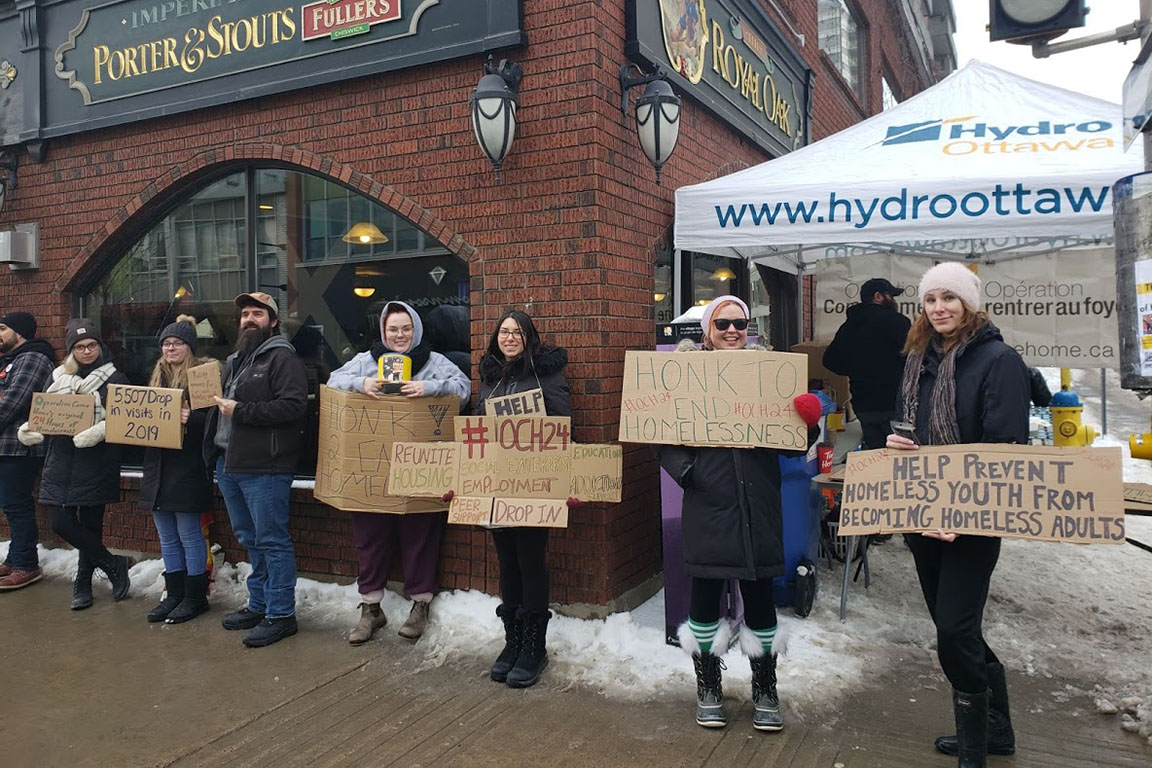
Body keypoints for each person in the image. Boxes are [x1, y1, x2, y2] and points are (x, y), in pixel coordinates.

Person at [886, 263, 1029, 768]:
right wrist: (896, 441)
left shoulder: (998, 360)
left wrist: (963, 515)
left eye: (949, 297)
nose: (939, 307)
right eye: (930, 299)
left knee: (954, 628)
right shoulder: (918, 359)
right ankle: (997, 730)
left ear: (969, 302)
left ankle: (975, 751)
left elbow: (1007, 450)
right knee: (956, 629)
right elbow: (913, 427)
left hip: (971, 520)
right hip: (923, 514)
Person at [658, 296, 822, 732]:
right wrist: (690, 473)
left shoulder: (771, 376)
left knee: (761, 599)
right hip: (710, 503)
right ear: (708, 330)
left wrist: (808, 423)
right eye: (723, 323)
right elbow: (663, 437)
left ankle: (765, 688)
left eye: (740, 323)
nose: (732, 331)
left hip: (758, 505)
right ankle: (708, 687)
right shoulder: (685, 377)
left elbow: (791, 444)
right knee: (706, 598)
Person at [326, 301, 469, 645]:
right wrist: (362, 383)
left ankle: (420, 604)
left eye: (406, 328)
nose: (400, 335)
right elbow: (332, 381)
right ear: (383, 331)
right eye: (393, 329)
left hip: (420, 471)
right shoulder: (366, 360)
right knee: (369, 538)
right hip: (372, 471)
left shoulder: (435, 363)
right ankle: (371, 608)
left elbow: (463, 389)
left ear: (416, 330)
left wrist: (431, 389)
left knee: (420, 535)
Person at [474, 309, 572, 688]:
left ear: (529, 337)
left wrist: (564, 475)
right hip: (496, 483)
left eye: (517, 332)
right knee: (507, 563)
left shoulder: (546, 374)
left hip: (534, 484)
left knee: (531, 563)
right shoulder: (489, 376)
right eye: (504, 331)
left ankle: (535, 647)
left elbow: (563, 425)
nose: (510, 337)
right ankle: (511, 643)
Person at [204, 293, 308, 648]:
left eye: (258, 313)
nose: (250, 319)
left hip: (266, 465)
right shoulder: (234, 361)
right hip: (229, 463)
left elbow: (294, 407)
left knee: (272, 541)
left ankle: (281, 615)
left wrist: (242, 411)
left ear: (273, 320)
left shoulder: (282, 358)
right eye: (245, 314)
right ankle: (259, 603)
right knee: (250, 539)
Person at [17, 319, 132, 608]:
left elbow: (125, 419)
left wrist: (97, 432)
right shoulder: (58, 378)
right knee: (61, 522)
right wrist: (30, 429)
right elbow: (43, 411)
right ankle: (111, 563)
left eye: (92, 345)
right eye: (80, 347)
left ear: (100, 346)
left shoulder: (116, 378)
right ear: (71, 351)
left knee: (91, 525)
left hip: (96, 460)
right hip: (61, 460)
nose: (87, 351)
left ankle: (83, 582)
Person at [139, 315, 214, 624]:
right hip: (158, 467)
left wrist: (190, 419)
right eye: (166, 344)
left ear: (190, 347)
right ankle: (174, 594)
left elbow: (213, 421)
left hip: (188, 467)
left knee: (189, 535)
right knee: (167, 536)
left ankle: (195, 597)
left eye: (177, 343)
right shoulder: (155, 378)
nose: (170, 348)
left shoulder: (202, 377)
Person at [0, 312, 56, 591]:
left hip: (19, 447)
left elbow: (12, 403)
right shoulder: (10, 361)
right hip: (5, 444)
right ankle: (14, 558)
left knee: (17, 504)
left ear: (19, 332)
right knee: (10, 504)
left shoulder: (32, 358)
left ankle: (26, 564)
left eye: (2, 328)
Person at [823, 277, 911, 449]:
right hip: (893, 403)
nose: (893, 300)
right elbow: (915, 359)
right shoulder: (898, 322)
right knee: (898, 459)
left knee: (874, 458)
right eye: (891, 296)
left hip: (863, 405)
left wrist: (857, 369)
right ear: (878, 296)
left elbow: (830, 360)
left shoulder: (848, 326)